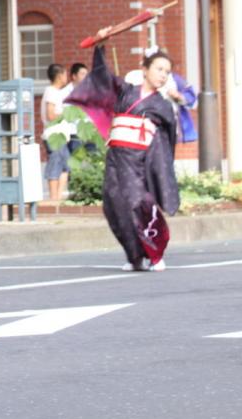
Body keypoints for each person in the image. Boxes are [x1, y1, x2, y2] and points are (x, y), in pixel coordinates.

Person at [68, 38, 178, 271]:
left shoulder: (162, 106)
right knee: (114, 205)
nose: (163, 75)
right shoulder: (125, 92)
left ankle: (155, 254)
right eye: (159, 69)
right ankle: (135, 256)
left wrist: (161, 166)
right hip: (116, 158)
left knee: (140, 203)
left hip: (140, 162)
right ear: (144, 69)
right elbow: (102, 77)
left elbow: (167, 137)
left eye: (167, 72)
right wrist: (101, 46)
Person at [41, 63, 73, 201]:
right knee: (55, 166)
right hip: (54, 136)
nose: (66, 77)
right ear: (59, 76)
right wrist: (65, 114)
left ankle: (58, 198)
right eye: (65, 74)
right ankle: (53, 199)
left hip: (62, 136)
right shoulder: (51, 92)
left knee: (65, 167)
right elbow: (50, 115)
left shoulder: (57, 93)